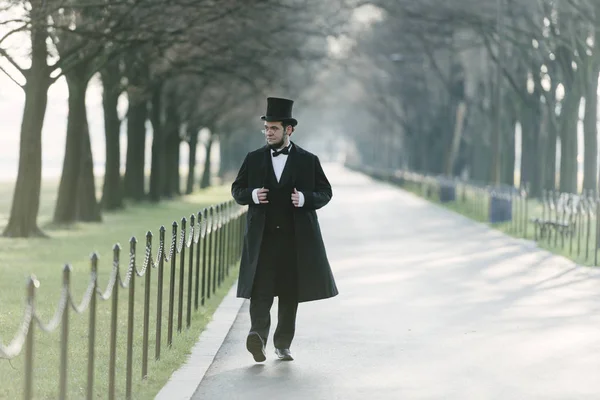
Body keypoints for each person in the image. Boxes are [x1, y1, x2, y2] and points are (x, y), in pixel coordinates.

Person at [231, 97, 339, 362]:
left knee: (290, 294)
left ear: (288, 129)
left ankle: (282, 344)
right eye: (266, 128)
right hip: (263, 239)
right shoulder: (254, 159)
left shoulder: (307, 160)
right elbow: (237, 190)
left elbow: (325, 192)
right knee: (261, 291)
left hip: (295, 239)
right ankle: (257, 336)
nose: (269, 133)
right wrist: (253, 195)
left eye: (274, 128)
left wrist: (305, 199)